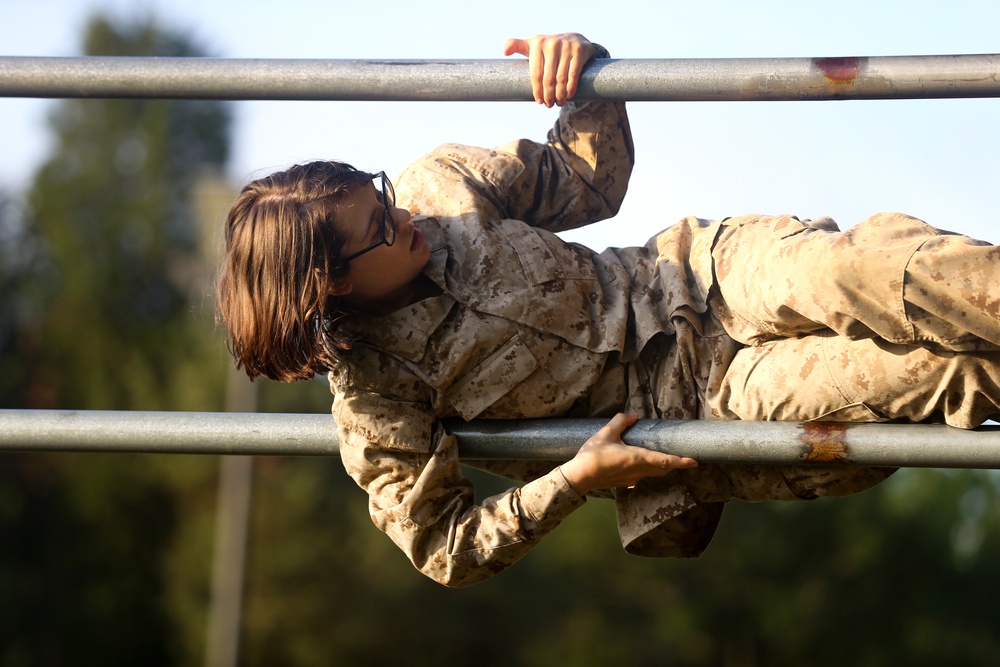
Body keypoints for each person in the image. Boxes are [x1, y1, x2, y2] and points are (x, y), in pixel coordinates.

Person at [217, 33, 1000, 587]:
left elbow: (590, 179)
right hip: (695, 407)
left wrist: (581, 69)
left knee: (873, 265)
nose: (401, 218)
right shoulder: (375, 398)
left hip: (693, 273)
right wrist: (577, 477)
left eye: (379, 195)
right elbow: (444, 544)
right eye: (376, 230)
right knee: (937, 375)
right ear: (335, 284)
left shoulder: (437, 187)